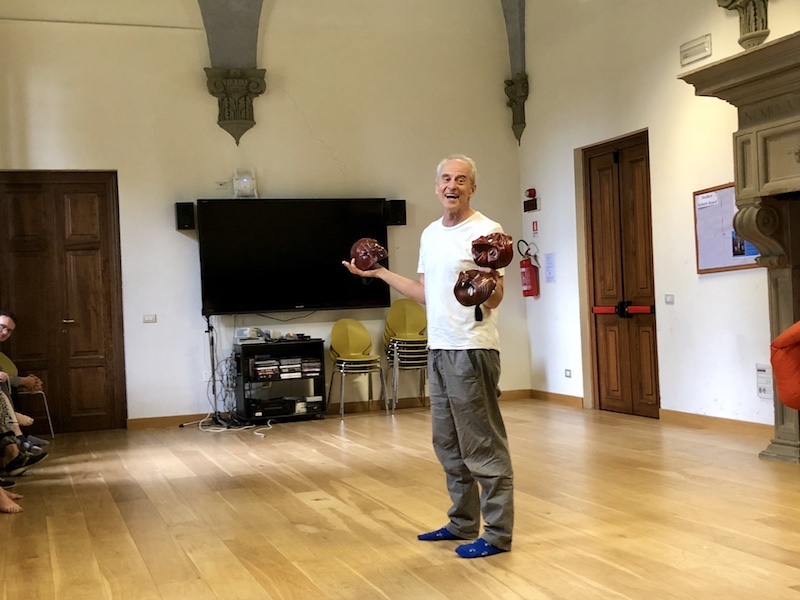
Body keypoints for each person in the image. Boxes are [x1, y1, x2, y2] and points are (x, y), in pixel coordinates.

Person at [342, 154, 514, 558]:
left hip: (471, 349)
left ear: (473, 188)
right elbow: (425, 294)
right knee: (447, 443)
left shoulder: (487, 230)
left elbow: (498, 296)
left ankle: (498, 534)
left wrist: (484, 283)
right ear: (436, 187)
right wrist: (379, 273)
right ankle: (461, 523)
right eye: (445, 179)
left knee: (482, 445)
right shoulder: (431, 234)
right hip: (437, 347)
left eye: (461, 180)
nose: (452, 186)